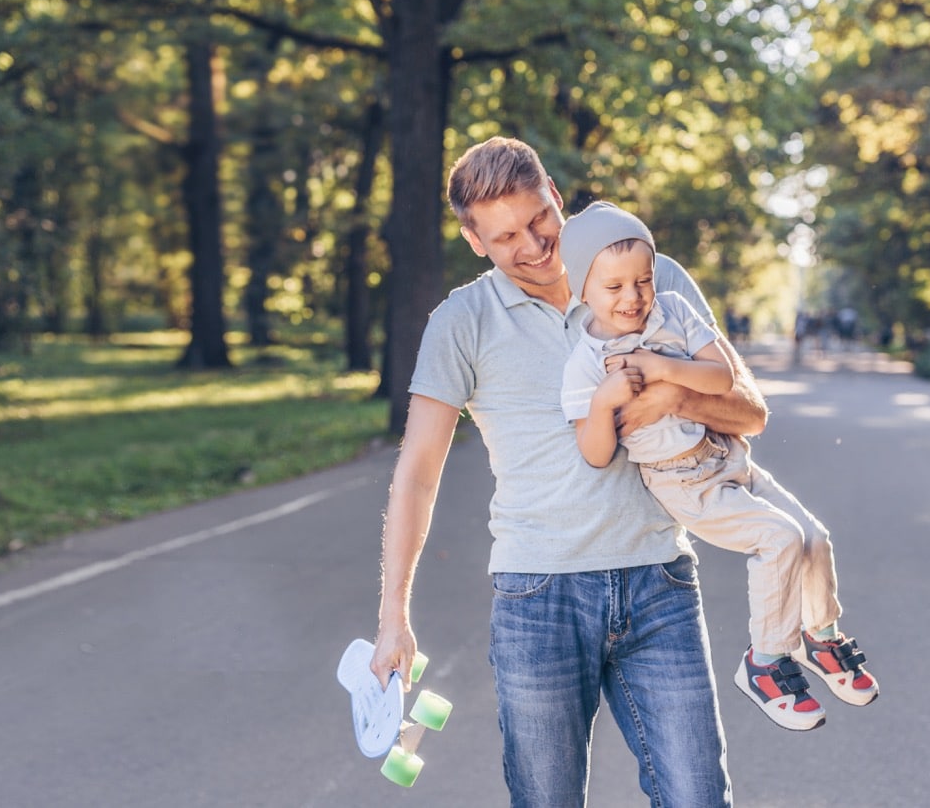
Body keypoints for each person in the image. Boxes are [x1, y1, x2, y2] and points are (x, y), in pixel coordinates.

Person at [369, 136, 766, 807]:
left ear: (556, 193)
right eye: (504, 237)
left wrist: (668, 391)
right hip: (537, 597)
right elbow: (416, 474)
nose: (531, 244)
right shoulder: (461, 322)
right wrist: (392, 617)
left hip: (658, 580)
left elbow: (749, 410)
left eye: (538, 218)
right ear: (474, 241)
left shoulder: (646, 273)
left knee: (700, 796)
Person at [558, 202, 879, 733]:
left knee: (813, 536)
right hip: (683, 481)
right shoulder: (585, 363)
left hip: (727, 454)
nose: (633, 297)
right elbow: (594, 453)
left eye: (642, 281)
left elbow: (721, 380)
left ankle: (821, 634)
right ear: (582, 291)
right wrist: (602, 404)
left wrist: (662, 369)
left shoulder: (676, 309)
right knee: (778, 538)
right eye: (614, 288)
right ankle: (766, 663)